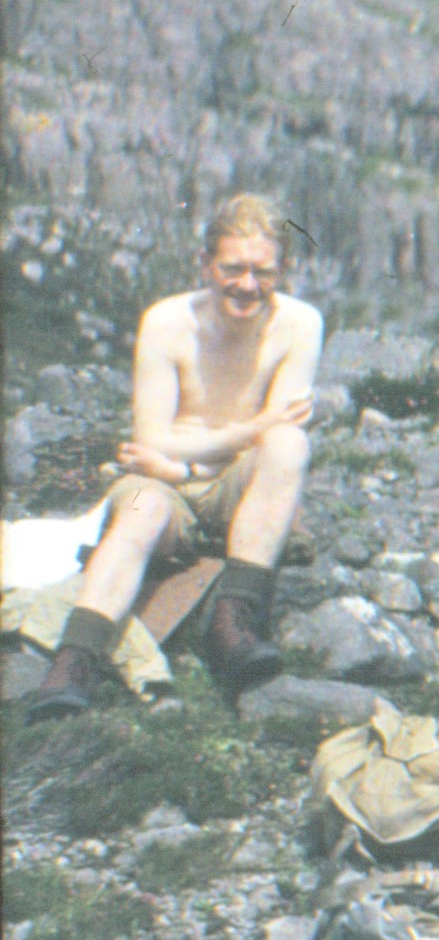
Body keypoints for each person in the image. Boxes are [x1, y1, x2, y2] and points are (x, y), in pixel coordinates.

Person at [30, 194, 322, 714]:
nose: (248, 286)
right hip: (159, 482)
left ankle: (233, 618)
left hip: (223, 479)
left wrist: (187, 463)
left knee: (290, 443)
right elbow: (152, 437)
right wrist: (190, 460)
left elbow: (275, 432)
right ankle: (74, 661)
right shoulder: (167, 322)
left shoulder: (300, 325)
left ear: (284, 271)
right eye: (233, 268)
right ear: (206, 264)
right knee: (143, 510)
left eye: (264, 271)